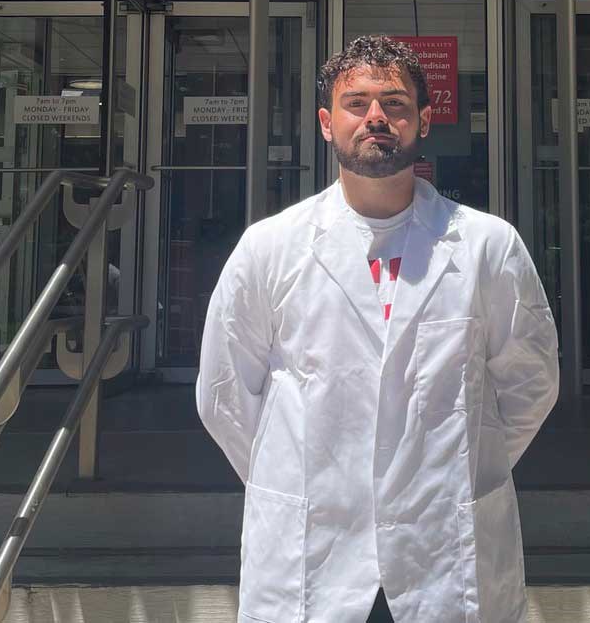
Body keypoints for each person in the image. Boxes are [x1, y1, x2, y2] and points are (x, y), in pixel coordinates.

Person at [197, 35, 559, 623]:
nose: (375, 118)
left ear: (423, 120)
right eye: (356, 102)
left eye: (394, 103)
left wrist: (452, 471)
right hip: (312, 554)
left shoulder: (487, 245)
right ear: (325, 122)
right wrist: (309, 479)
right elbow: (224, 395)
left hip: (444, 551)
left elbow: (530, 385)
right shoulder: (270, 248)